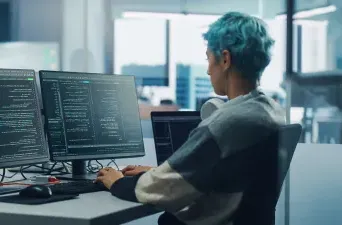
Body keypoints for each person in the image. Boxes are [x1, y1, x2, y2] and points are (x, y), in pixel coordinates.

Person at [95, 12, 285, 225]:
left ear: (225, 59)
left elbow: (157, 191)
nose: (207, 70)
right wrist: (159, 172)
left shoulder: (228, 122)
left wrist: (117, 182)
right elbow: (226, 174)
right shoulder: (270, 110)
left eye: (208, 58)